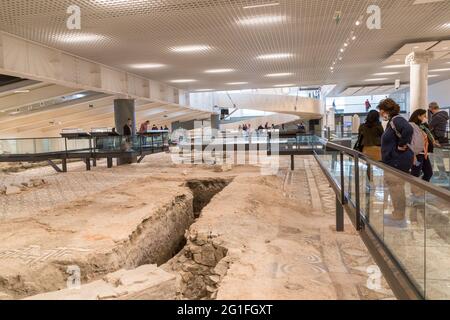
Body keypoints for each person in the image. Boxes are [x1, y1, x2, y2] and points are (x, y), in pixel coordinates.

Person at [378, 98, 414, 223]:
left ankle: (399, 213)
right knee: (396, 187)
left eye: (380, 111)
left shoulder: (396, 119)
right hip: (394, 160)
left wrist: (401, 145)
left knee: (396, 187)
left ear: (384, 110)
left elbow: (408, 129)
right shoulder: (393, 121)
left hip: (397, 160)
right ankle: (398, 211)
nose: (380, 114)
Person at [409, 109, 434, 182]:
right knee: (416, 173)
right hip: (417, 154)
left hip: (424, 153)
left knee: (428, 173)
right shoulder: (411, 126)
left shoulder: (423, 126)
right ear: (418, 116)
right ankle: (415, 191)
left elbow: (429, 136)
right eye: (424, 116)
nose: (425, 118)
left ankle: (421, 189)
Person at [429, 102, 448, 180]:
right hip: (440, 139)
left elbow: (429, 127)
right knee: (438, 157)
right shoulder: (443, 115)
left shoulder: (437, 117)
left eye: (429, 108)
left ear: (432, 108)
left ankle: (441, 175)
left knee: (435, 158)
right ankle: (441, 174)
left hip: (436, 140)